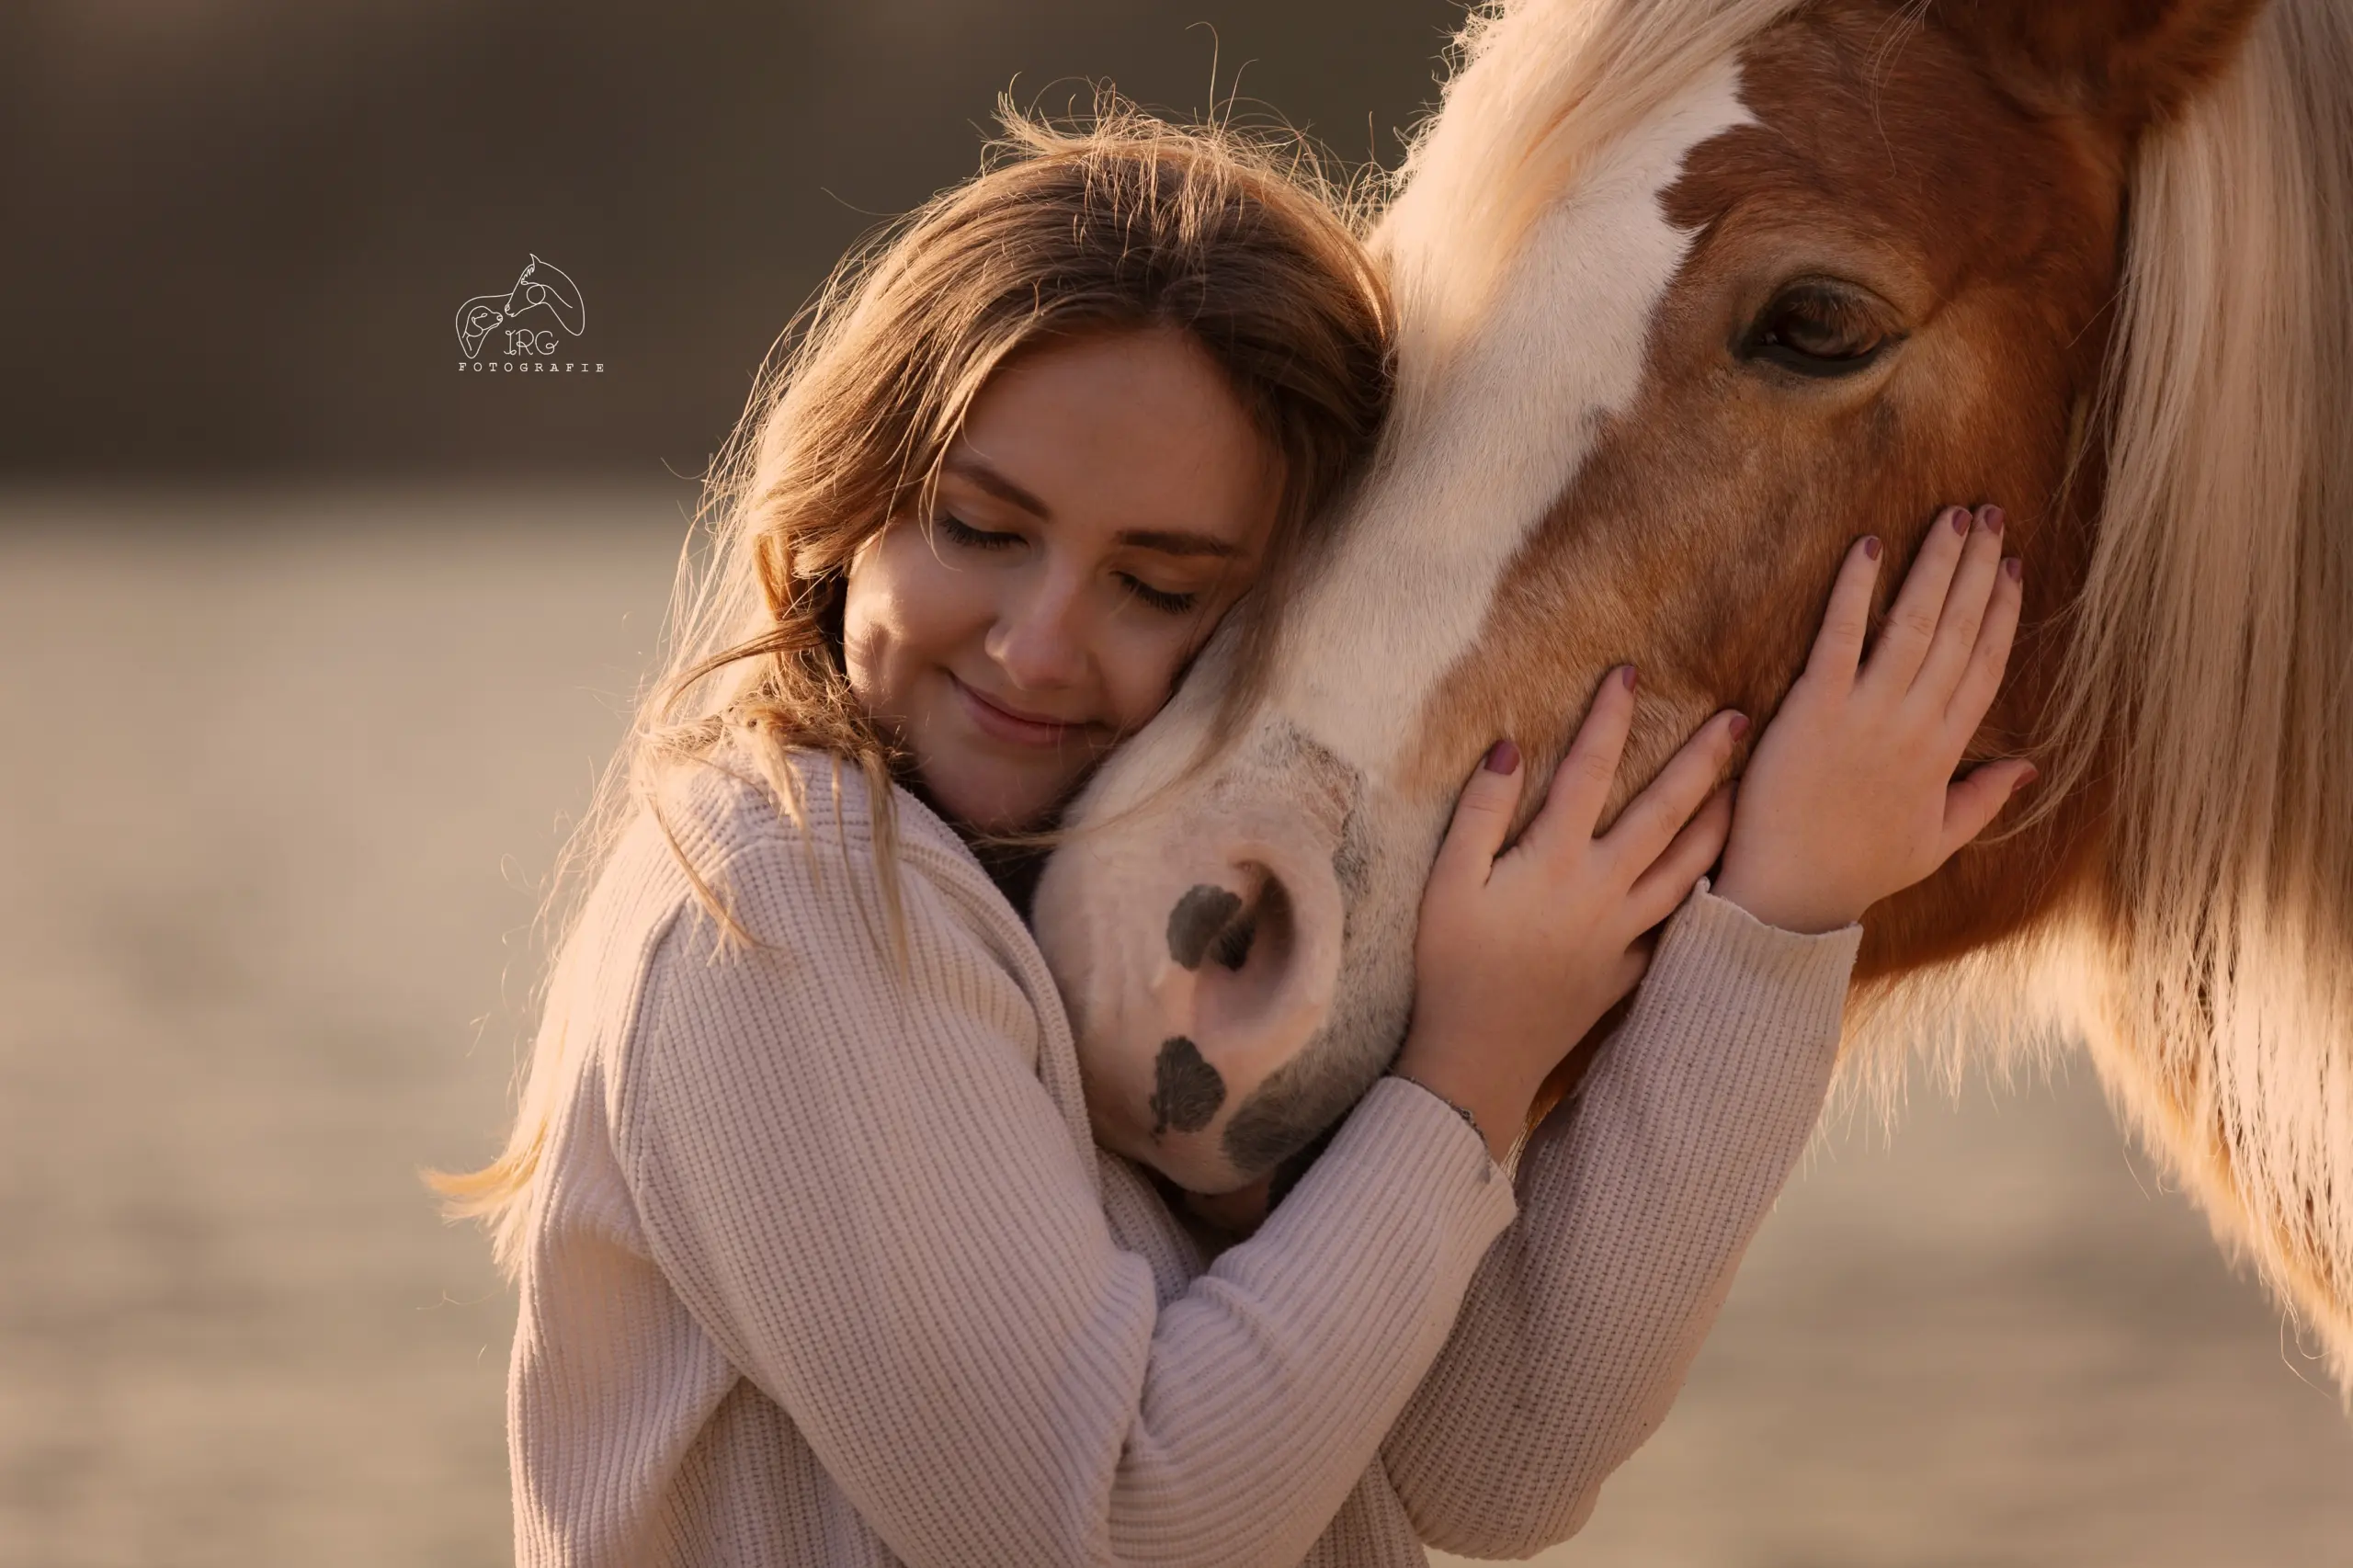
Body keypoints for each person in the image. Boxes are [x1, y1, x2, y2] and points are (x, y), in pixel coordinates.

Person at [434, 107, 2031, 1568]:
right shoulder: (777, 896)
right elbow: (1117, 1533)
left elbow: (1487, 1465)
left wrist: (1782, 918)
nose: (1041, 644)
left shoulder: (1138, 910)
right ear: (849, 500)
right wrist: (1467, 1066)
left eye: (1162, 584)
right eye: (982, 531)